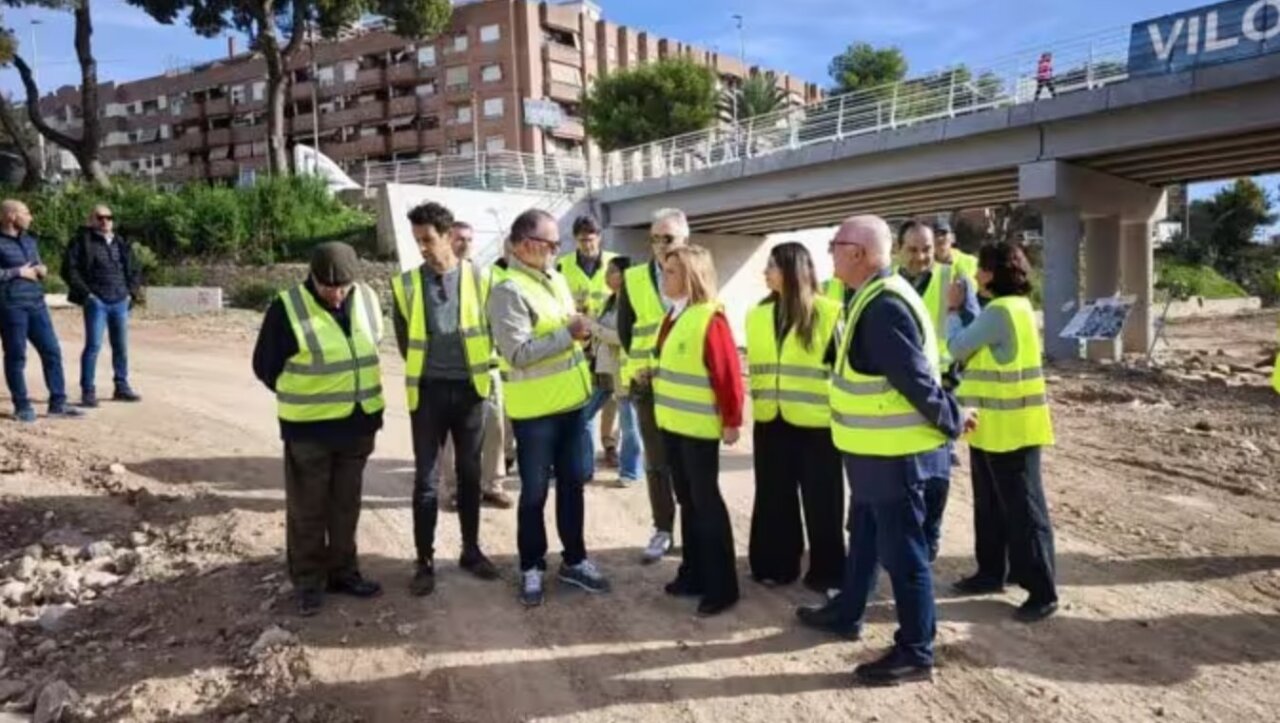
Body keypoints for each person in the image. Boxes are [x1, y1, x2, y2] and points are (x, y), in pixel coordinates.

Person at [795, 215, 974, 686]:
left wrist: (953, 419)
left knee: (904, 554)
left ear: (858, 253)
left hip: (896, 457)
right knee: (868, 539)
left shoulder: (883, 306)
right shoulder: (869, 295)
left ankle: (916, 651)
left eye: (835, 244)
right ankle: (847, 612)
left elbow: (916, 379)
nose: (829, 252)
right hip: (874, 453)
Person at [251, 242, 384, 616]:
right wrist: (306, 394)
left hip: (358, 424)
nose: (337, 294)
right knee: (308, 509)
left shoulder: (368, 299)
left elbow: (373, 346)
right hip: (309, 430)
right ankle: (309, 581)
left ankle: (344, 572)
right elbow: (265, 366)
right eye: (329, 287)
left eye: (343, 287)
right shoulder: (287, 308)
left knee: (346, 506)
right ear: (312, 278)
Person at [489, 208, 610, 607]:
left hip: (573, 405)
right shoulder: (507, 290)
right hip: (536, 413)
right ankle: (531, 566)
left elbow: (563, 326)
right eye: (551, 244)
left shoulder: (555, 278)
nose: (558, 251)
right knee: (535, 494)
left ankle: (575, 560)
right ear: (526, 245)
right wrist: (567, 333)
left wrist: (578, 326)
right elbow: (518, 352)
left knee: (573, 486)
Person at [392, 204, 501, 598]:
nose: (422, 247)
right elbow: (407, 343)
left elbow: (492, 330)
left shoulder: (481, 279)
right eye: (417, 240)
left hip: (471, 391)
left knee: (470, 477)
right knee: (426, 481)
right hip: (428, 393)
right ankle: (424, 561)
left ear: (447, 235)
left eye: (428, 239)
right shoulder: (404, 285)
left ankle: (471, 551)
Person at [948, 242, 1059, 623]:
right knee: (993, 506)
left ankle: (1042, 590)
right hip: (994, 427)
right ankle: (991, 572)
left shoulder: (1000, 311)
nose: (977, 274)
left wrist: (952, 311)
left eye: (982, 269)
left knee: (1025, 512)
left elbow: (958, 347)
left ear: (994, 273)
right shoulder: (1017, 308)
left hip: (1010, 429)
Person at [746, 242, 844, 594]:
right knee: (773, 496)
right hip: (770, 422)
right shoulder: (756, 314)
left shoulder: (830, 312)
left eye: (771, 266)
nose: (765, 273)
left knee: (823, 503)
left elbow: (845, 371)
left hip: (817, 427)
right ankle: (775, 564)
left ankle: (828, 572)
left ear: (790, 270)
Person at [653, 245, 744, 616]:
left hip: (698, 429)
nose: (665, 277)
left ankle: (723, 587)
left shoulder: (710, 318)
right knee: (688, 502)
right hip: (673, 425)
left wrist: (731, 420)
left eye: (672, 272)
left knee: (706, 504)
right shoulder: (674, 315)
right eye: (665, 271)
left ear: (691, 277)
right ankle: (694, 572)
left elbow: (728, 376)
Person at [897, 219, 980, 561]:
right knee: (900, 474)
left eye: (927, 249)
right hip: (898, 389)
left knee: (936, 473)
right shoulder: (885, 282)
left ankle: (929, 538)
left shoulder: (953, 281)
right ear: (898, 250)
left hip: (941, 389)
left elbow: (972, 332)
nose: (920, 257)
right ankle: (904, 539)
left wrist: (957, 309)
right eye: (913, 250)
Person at [618, 208, 687, 563]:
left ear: (684, 240)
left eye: (668, 238)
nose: (660, 245)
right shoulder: (632, 278)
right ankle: (663, 528)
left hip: (689, 387)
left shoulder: (697, 275)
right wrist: (645, 366)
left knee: (689, 462)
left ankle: (693, 528)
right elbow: (625, 333)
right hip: (647, 384)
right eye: (655, 238)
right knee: (657, 461)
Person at [436, 220, 514, 512]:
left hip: (486, 367)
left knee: (494, 428)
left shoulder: (485, 277)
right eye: (458, 238)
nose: (464, 243)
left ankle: (492, 485)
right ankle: (456, 489)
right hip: (451, 370)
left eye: (469, 238)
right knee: (453, 434)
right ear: (447, 240)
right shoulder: (437, 279)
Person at [0, 199, 83, 423]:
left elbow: (36, 264)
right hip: (11, 307)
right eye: (26, 213)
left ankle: (58, 403)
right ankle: (22, 406)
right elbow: (14, 271)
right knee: (16, 357)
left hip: (37, 304)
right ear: (10, 216)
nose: (30, 217)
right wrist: (16, 272)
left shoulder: (29, 240)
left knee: (52, 351)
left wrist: (41, 269)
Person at [64, 205, 143, 407]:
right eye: (100, 217)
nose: (105, 221)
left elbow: (134, 270)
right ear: (91, 220)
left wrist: (130, 294)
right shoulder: (81, 242)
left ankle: (121, 386)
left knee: (121, 347)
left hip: (120, 301)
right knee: (93, 346)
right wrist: (87, 295)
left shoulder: (121, 243)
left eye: (109, 217)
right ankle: (88, 391)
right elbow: (69, 270)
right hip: (97, 302)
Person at [559, 215, 620, 477]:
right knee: (582, 393)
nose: (587, 244)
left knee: (611, 396)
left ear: (600, 237)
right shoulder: (563, 265)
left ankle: (609, 445)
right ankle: (581, 447)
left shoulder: (614, 263)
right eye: (582, 240)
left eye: (591, 239)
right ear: (575, 240)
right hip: (578, 337)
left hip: (607, 337)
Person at [589, 256, 643, 486]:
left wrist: (595, 328)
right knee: (583, 416)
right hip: (603, 371)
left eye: (612, 271)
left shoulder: (632, 302)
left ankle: (630, 471)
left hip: (623, 372)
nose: (607, 275)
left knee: (629, 425)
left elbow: (623, 337)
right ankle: (583, 464)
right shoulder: (611, 300)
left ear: (624, 275)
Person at [930, 219, 978, 284]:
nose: (939, 238)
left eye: (943, 234)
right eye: (935, 235)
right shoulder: (926, 268)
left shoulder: (971, 262)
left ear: (953, 238)